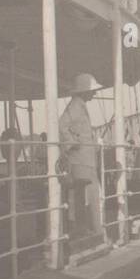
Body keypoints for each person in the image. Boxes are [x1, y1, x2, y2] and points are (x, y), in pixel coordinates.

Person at [59, 72, 104, 233]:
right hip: (80, 161)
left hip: (86, 160)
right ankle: (92, 232)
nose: (94, 93)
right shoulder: (75, 106)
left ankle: (95, 231)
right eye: (92, 90)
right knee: (87, 197)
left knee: (91, 197)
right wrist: (73, 143)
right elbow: (62, 126)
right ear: (84, 91)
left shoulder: (80, 105)